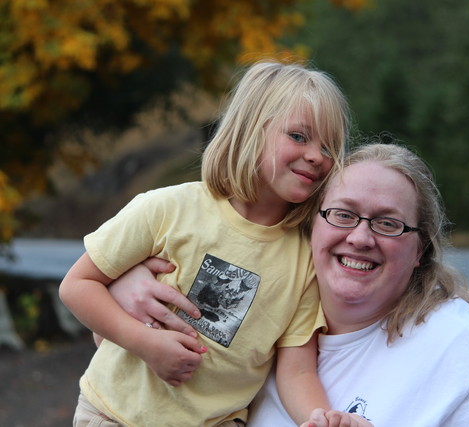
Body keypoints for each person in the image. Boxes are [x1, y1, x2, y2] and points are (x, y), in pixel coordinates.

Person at [108, 142, 469, 426]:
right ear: (310, 227)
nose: (360, 237)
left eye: (388, 223)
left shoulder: (467, 354)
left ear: (420, 251)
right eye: (343, 214)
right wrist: (125, 290)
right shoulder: (266, 311)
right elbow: (124, 360)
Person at [58, 60, 354, 427]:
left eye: (329, 148)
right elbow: (77, 285)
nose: (316, 156)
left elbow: (296, 371)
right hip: (114, 414)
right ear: (250, 131)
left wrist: (320, 418)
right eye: (298, 136)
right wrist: (144, 343)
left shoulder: (307, 259)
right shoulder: (167, 208)